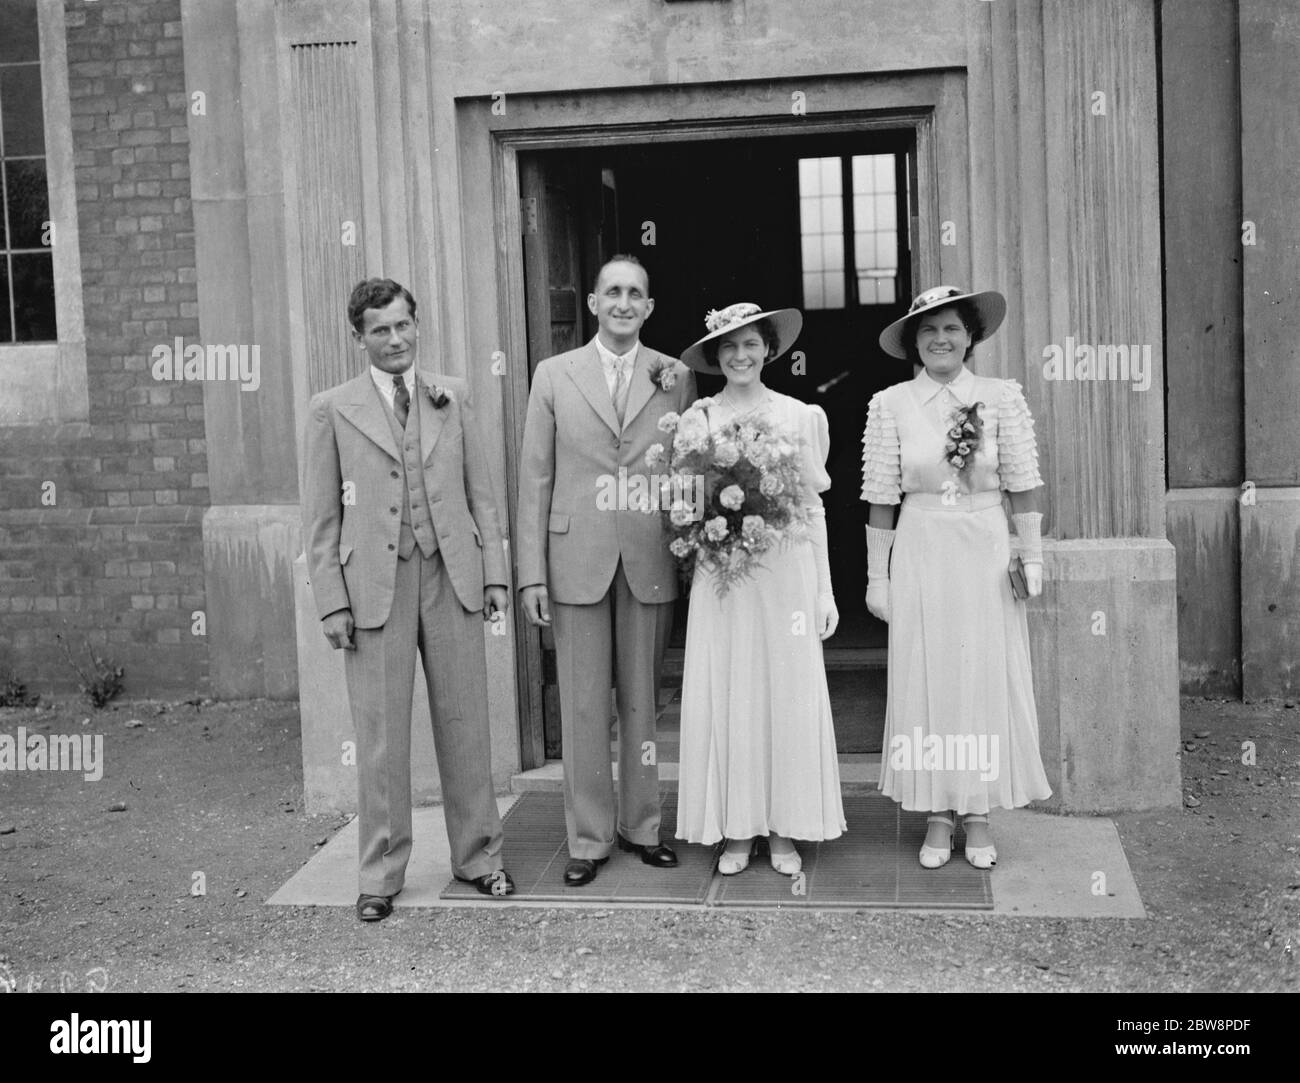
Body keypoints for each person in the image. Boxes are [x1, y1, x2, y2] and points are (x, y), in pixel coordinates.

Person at [301, 277, 514, 921]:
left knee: (465, 724)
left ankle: (480, 858)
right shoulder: (331, 409)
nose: (394, 340)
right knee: (381, 737)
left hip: (452, 578)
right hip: (372, 589)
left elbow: (484, 494)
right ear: (358, 336)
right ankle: (380, 874)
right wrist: (331, 601)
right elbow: (318, 520)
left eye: (402, 326)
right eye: (379, 330)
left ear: (417, 325)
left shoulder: (454, 396)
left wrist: (495, 575)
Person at [516, 255, 697, 887]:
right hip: (576, 560)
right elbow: (534, 476)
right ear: (592, 303)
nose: (623, 302)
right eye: (612, 291)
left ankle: (643, 827)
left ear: (649, 307)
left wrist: (694, 553)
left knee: (644, 705)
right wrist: (530, 574)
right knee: (584, 703)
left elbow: (686, 470)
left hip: (648, 555)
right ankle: (588, 838)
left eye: (635, 294)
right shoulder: (553, 374)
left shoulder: (675, 376)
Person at [861, 285, 1052, 870]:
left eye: (950, 329)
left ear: (970, 336)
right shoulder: (891, 403)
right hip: (922, 545)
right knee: (931, 674)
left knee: (980, 673)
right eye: (927, 331)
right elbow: (881, 495)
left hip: (985, 547)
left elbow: (1021, 480)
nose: (940, 340)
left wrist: (1033, 554)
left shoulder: (1000, 397)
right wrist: (878, 577)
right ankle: (939, 814)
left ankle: (978, 813)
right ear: (913, 344)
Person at [673, 302, 846, 875]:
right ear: (715, 356)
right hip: (726, 578)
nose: (740, 355)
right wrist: (710, 520)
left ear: (769, 349)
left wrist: (825, 592)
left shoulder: (801, 416)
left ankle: (783, 827)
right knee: (733, 690)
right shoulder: (698, 419)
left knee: (784, 691)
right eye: (728, 346)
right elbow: (687, 507)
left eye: (751, 344)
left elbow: (813, 508)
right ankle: (738, 829)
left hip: (785, 573)